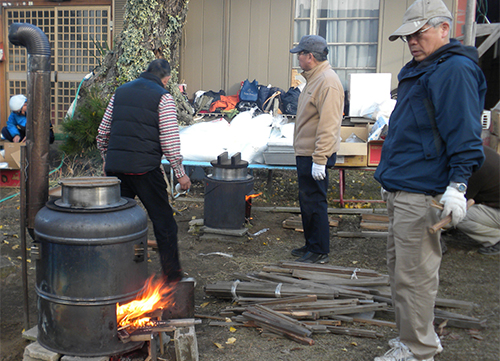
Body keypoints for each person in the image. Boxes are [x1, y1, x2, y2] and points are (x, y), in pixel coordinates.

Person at [373, 0, 486, 360]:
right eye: (408, 36)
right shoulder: (424, 69)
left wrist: (458, 186)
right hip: (404, 186)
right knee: (401, 273)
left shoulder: (453, 71)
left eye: (419, 33)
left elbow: (465, 136)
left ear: (443, 29)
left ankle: (419, 349)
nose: (412, 42)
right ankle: (413, 339)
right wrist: (391, 175)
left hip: (422, 193)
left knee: (415, 277)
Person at [96, 58, 191, 283]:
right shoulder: (163, 97)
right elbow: (169, 141)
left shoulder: (120, 92)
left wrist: (106, 160)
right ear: (165, 78)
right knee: (164, 222)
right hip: (145, 171)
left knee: (117, 224)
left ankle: (115, 276)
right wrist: (180, 173)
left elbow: (102, 133)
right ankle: (172, 276)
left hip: (117, 171)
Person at [289, 35, 344, 264]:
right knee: (307, 200)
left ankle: (320, 250)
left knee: (315, 201)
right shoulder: (315, 79)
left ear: (309, 57)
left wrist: (320, 158)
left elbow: (329, 124)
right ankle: (311, 244)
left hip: (315, 155)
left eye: (300, 54)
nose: (298, 58)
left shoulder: (327, 82)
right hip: (308, 153)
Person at [455, 145, 500, 255]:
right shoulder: (480, 151)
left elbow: (459, 202)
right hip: (495, 203)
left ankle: (496, 239)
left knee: (459, 216)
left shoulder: (473, 167)